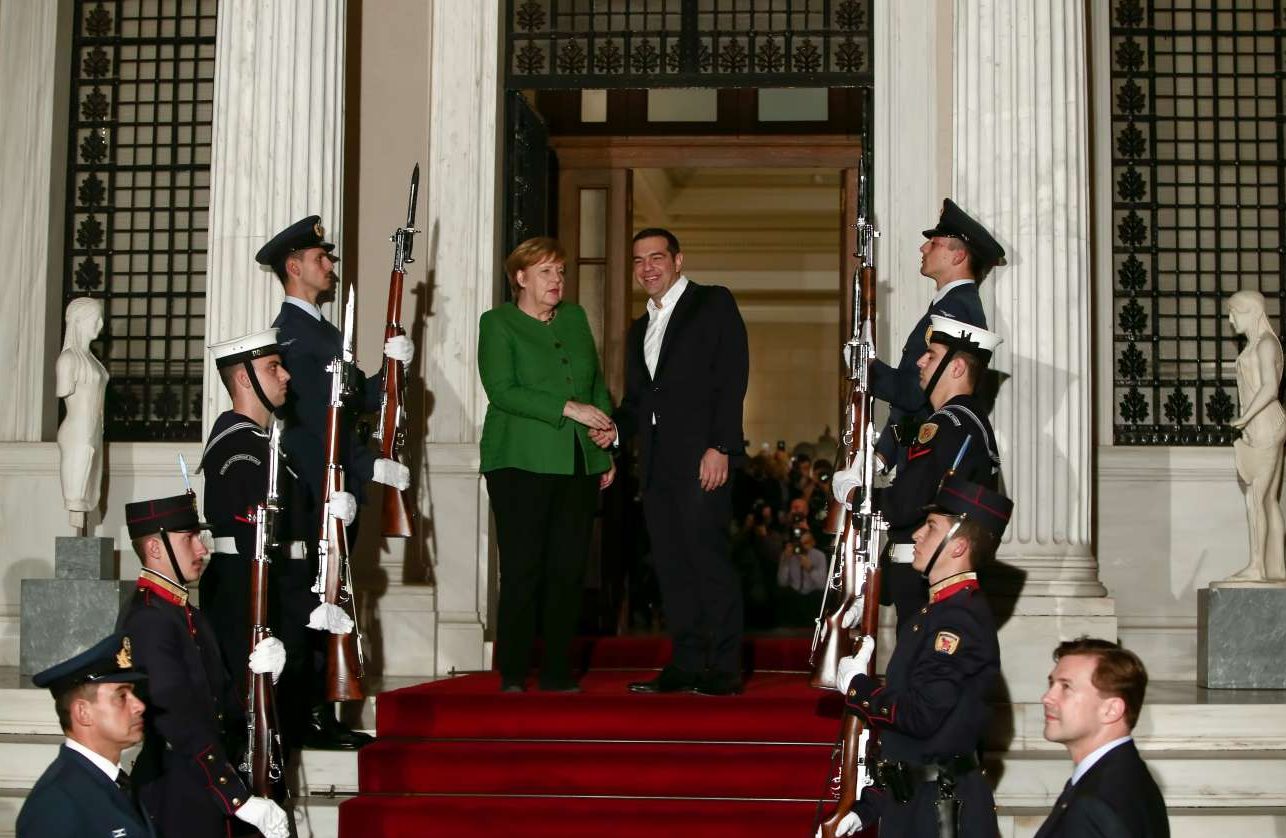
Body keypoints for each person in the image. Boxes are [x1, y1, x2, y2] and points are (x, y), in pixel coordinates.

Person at [257, 215, 402, 746]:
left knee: (335, 595)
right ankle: (313, 716)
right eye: (321, 259)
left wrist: (391, 373)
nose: (330, 266)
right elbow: (311, 425)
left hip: (339, 485)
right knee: (321, 597)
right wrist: (363, 467)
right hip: (322, 488)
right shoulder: (291, 336)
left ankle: (324, 711)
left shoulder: (322, 330)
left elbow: (350, 400)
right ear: (294, 267)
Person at [605, 227, 749, 697]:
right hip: (656, 466)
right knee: (671, 567)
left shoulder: (712, 303)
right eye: (638, 260)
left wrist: (721, 445)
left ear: (678, 260)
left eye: (656, 257)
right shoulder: (638, 329)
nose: (647, 268)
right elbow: (637, 401)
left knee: (709, 561)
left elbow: (732, 376)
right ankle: (686, 664)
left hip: (703, 458)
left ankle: (724, 668)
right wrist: (614, 431)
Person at [828, 474, 1013, 838]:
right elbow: (918, 747)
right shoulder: (934, 613)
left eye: (930, 527)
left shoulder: (958, 620)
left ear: (958, 546)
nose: (916, 535)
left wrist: (859, 688)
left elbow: (920, 716)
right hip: (916, 803)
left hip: (940, 815)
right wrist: (869, 808)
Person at [200, 327, 358, 751]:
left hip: (279, 593)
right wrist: (306, 605)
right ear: (243, 379)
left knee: (278, 734)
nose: (286, 375)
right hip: (253, 598)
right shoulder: (240, 449)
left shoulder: (264, 445)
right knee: (256, 735)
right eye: (273, 367)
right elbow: (256, 542)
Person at [478, 236, 616, 692]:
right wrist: (569, 408)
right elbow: (502, 390)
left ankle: (558, 670)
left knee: (568, 569)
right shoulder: (497, 323)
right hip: (517, 461)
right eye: (546, 272)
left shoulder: (574, 318)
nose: (557, 280)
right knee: (523, 568)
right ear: (520, 277)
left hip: (576, 461)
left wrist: (605, 437)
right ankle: (514, 671)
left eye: (560, 271)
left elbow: (594, 384)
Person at [117, 492, 289, 838]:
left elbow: (220, 702)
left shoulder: (186, 614)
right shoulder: (150, 619)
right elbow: (176, 719)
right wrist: (236, 798)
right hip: (178, 793)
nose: (202, 549)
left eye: (200, 537)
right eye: (189, 538)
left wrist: (264, 679)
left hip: (205, 788)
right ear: (154, 548)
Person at [834, 315, 1003, 631]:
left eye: (932, 356)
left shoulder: (946, 425)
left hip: (924, 575)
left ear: (956, 368)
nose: (920, 362)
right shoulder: (968, 421)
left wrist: (853, 494)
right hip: (932, 571)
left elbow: (904, 504)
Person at [870, 198, 1004, 474]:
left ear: (958, 256)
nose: (923, 248)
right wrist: (884, 454)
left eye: (934, 243)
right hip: (918, 457)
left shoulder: (956, 308)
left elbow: (913, 392)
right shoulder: (950, 305)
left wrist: (865, 367)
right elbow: (914, 403)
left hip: (930, 462)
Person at [17, 633, 154, 837]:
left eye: (133, 694)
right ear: (83, 713)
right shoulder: (56, 804)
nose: (139, 706)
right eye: (122, 696)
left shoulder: (112, 782)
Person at [1035, 638, 1169, 837]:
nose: (1046, 698)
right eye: (1051, 683)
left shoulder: (1094, 803)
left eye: (1066, 686)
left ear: (1111, 710)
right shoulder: (1128, 776)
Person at [1225, 289, 1286, 582]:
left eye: (1234, 312)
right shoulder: (1259, 345)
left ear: (1251, 312)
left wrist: (1245, 417)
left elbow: (1270, 387)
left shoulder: (1265, 345)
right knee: (1269, 500)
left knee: (1255, 497)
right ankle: (1277, 569)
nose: (1230, 319)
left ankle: (1257, 566)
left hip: (1265, 425)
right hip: (1263, 425)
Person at [56, 297, 109, 531]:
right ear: (78, 321)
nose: (100, 324)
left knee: (90, 494)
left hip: (93, 432)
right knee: (77, 497)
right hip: (78, 433)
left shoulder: (93, 361)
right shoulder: (68, 360)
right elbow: (64, 391)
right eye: (95, 319)